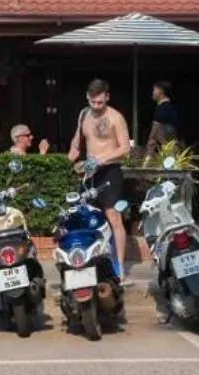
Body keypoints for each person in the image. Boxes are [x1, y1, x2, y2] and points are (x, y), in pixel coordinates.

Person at [68, 78, 131, 267]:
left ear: (107, 98)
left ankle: (119, 266)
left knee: (113, 215)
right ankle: (89, 261)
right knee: (84, 214)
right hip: (89, 172)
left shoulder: (115, 117)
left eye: (100, 102)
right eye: (93, 102)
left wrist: (101, 159)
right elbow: (77, 139)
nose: (96, 106)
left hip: (110, 170)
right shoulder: (84, 114)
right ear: (87, 97)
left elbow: (125, 148)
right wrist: (73, 152)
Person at [145, 80, 181, 154]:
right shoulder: (170, 108)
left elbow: (154, 134)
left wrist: (148, 150)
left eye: (154, 90)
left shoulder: (163, 110)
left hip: (168, 151)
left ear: (160, 91)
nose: (152, 93)